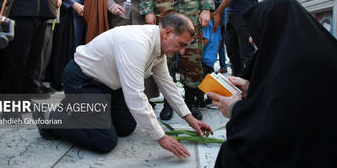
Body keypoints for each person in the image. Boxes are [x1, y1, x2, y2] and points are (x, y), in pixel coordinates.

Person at [207, 0, 337, 167]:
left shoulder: (298, 64)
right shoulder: (318, 54)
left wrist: (235, 110)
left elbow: (270, 135)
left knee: (232, 154)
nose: (251, 39)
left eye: (256, 30)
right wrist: (252, 90)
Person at [35, 13, 212, 157]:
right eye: (181, 45)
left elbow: (168, 85)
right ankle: (50, 118)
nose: (182, 52)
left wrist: (190, 119)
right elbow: (135, 96)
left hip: (108, 86)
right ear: (167, 32)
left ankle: (81, 108)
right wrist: (162, 138)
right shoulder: (137, 44)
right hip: (83, 79)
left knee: (126, 127)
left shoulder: (159, 49)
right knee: (104, 140)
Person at [213, 0, 229, 73]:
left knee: (222, 43)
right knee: (221, 42)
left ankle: (223, 65)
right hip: (222, 18)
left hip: (222, 19)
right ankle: (223, 65)